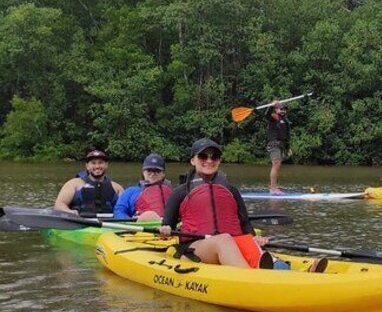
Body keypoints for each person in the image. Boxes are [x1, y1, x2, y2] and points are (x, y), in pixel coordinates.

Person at [159, 138, 325, 272]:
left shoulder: (231, 190)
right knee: (223, 239)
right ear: (193, 161)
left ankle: (292, 274)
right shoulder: (181, 192)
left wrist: (254, 238)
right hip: (195, 249)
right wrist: (165, 229)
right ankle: (253, 279)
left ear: (219, 160)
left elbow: (244, 223)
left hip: (232, 242)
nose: (209, 160)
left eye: (214, 157)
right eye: (203, 156)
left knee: (247, 242)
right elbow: (168, 224)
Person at [54, 150, 125, 215]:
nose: (97, 166)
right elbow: (59, 204)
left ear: (106, 165)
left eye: (100, 163)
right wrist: (69, 212)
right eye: (93, 163)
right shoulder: (73, 184)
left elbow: (126, 208)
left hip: (110, 225)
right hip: (78, 223)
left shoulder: (117, 188)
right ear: (87, 166)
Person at [113, 153, 172, 221]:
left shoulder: (173, 193)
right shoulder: (131, 192)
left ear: (163, 174)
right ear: (143, 172)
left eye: (157, 171)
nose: (152, 174)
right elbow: (119, 211)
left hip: (164, 227)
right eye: (149, 170)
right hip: (138, 226)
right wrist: (129, 221)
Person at [267, 101, 292, 194]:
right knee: (276, 164)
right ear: (276, 110)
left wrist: (288, 148)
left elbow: (287, 136)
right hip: (274, 144)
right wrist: (271, 106)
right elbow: (267, 115)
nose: (283, 111)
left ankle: (274, 187)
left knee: (278, 166)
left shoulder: (285, 121)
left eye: (285, 109)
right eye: (281, 109)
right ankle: (273, 189)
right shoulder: (274, 117)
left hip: (281, 145)